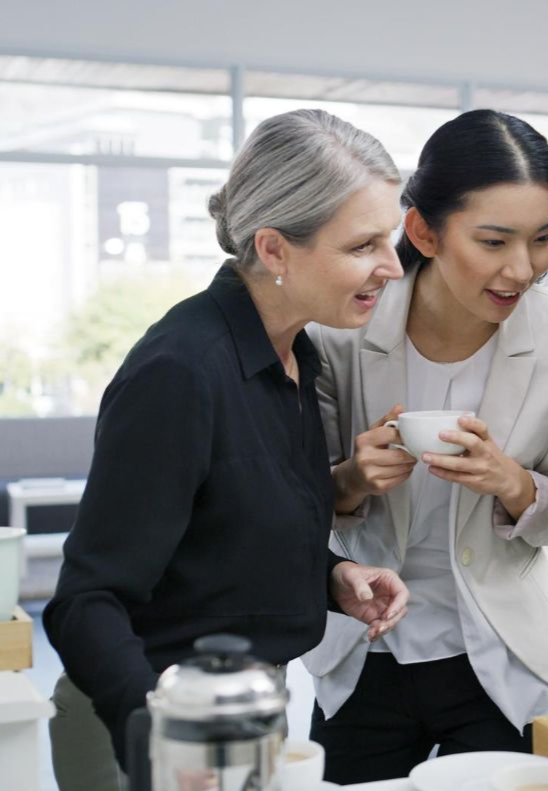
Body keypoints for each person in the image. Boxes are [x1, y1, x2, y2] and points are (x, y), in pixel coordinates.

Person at [44, 109, 411, 791]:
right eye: (364, 244)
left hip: (242, 710)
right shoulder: (180, 370)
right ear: (274, 250)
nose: (391, 265)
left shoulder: (296, 356)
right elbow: (86, 600)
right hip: (151, 722)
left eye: (388, 238)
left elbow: (221, 536)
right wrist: (162, 734)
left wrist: (331, 576)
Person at [301, 109, 548, 784]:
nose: (523, 269)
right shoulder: (340, 330)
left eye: (543, 238)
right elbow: (297, 502)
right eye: (494, 241)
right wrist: (354, 477)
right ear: (422, 232)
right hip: (364, 646)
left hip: (500, 653)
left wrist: (512, 482)